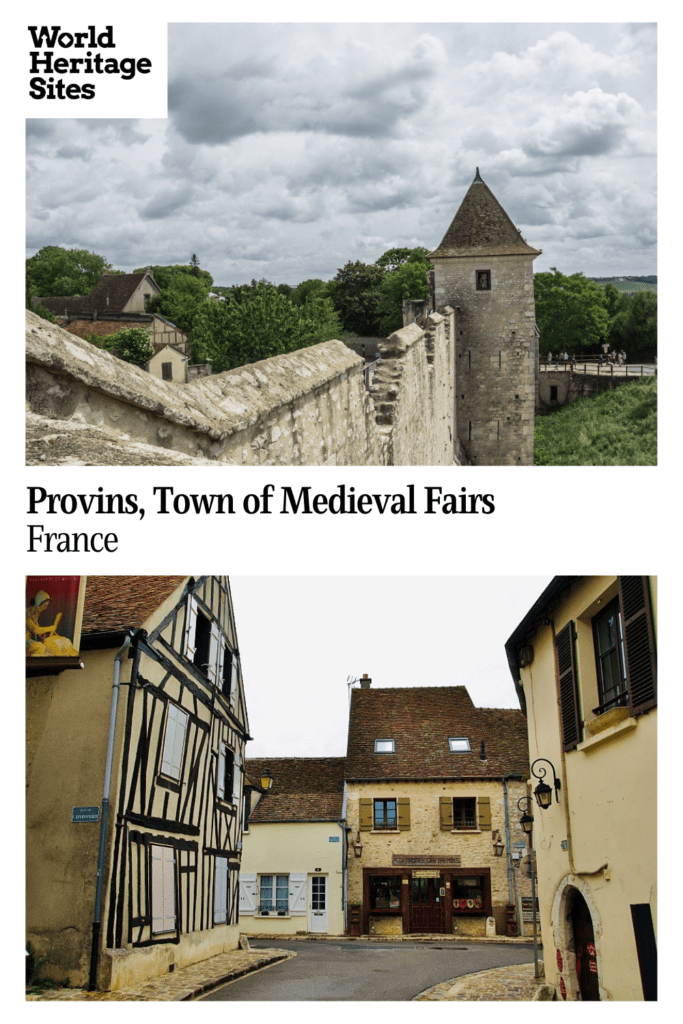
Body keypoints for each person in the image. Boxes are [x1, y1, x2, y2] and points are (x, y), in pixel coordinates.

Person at [26, 591, 79, 657]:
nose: (46, 608)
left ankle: (66, 655)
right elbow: (35, 629)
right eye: (45, 605)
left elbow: (39, 632)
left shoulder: (35, 616)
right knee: (39, 647)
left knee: (63, 641)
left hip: (30, 642)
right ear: (39, 604)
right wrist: (51, 628)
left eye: (47, 606)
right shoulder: (26, 614)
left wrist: (44, 636)